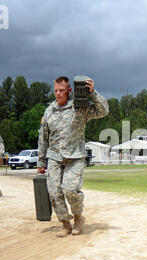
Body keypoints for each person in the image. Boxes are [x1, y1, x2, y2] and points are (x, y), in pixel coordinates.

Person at [37, 76, 109, 238]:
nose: (58, 94)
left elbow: (104, 111)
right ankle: (64, 223)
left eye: (62, 90)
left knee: (69, 189)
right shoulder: (49, 111)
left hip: (75, 155)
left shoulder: (79, 107)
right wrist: (41, 161)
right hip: (55, 156)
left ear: (69, 91)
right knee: (54, 192)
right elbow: (43, 137)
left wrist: (93, 93)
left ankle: (78, 218)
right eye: (56, 90)